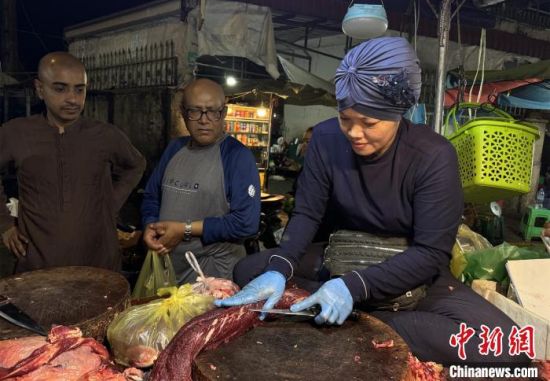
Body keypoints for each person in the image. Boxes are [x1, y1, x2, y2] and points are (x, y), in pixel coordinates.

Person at [216, 37, 527, 365]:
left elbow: (431, 253)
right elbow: (307, 213)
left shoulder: (433, 155)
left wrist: (353, 288)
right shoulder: (325, 140)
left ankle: (368, 321)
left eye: (370, 123)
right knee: (249, 269)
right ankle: (346, 312)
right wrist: (280, 269)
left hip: (410, 273)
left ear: (398, 113)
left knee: (508, 349)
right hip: (340, 254)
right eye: (345, 118)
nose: (354, 132)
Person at [0, 52, 146, 273]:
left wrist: (111, 203)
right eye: (60, 88)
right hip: (38, 262)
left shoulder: (105, 135)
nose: (73, 99)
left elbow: (136, 164)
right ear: (40, 89)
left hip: (97, 261)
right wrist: (5, 225)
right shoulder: (17, 133)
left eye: (80, 89)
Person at [141, 78, 261, 284]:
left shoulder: (237, 157)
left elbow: (246, 223)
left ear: (223, 113)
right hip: (169, 269)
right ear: (183, 112)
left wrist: (184, 229)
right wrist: (150, 225)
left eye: (213, 111)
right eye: (195, 111)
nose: (204, 120)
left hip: (212, 274)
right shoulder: (175, 149)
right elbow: (152, 195)